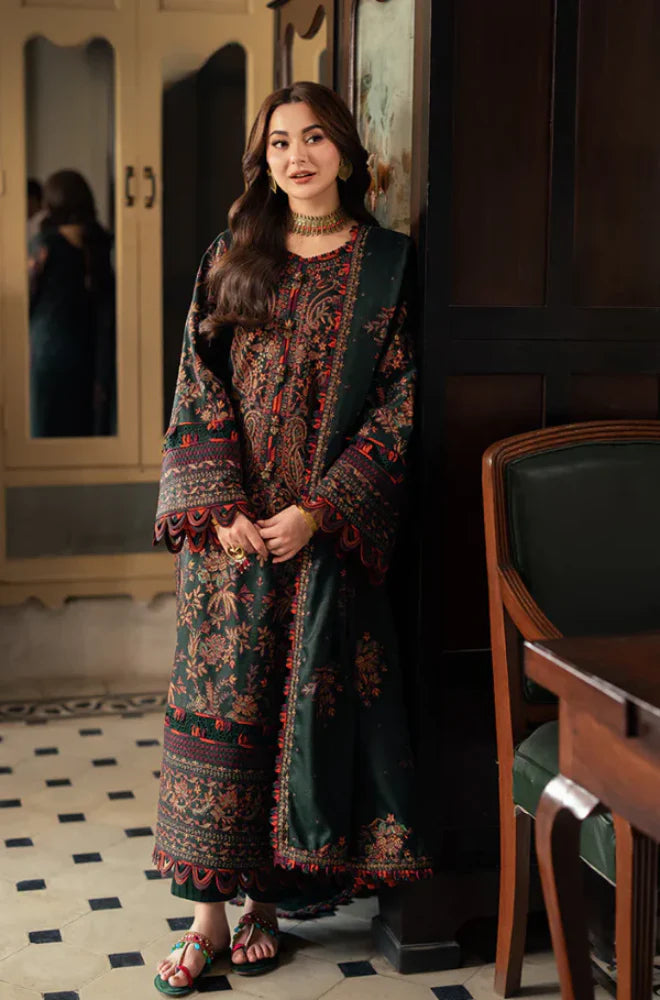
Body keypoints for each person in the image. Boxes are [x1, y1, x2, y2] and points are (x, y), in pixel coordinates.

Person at [152, 81, 431, 995]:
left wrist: (319, 512)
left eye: (314, 138)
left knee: (287, 721)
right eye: (279, 143)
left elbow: (397, 404)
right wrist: (220, 506)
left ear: (345, 150)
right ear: (263, 160)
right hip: (230, 541)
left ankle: (265, 906)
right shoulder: (233, 253)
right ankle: (205, 920)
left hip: (316, 540)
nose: (297, 157)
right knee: (220, 722)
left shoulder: (386, 264)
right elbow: (198, 383)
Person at [28, 169, 115, 437]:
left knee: (48, 434)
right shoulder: (98, 243)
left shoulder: (45, 245)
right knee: (83, 430)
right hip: (90, 351)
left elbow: (28, 300)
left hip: (48, 355)